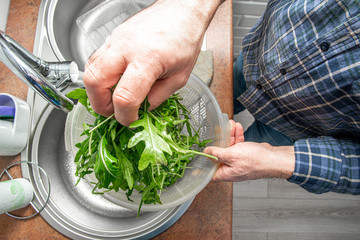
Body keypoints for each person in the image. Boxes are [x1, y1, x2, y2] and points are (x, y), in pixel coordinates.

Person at [83, 0, 360, 195]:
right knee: (225, 113)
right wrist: (187, 7)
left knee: (225, 152)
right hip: (256, 63)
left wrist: (278, 160)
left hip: (304, 133)